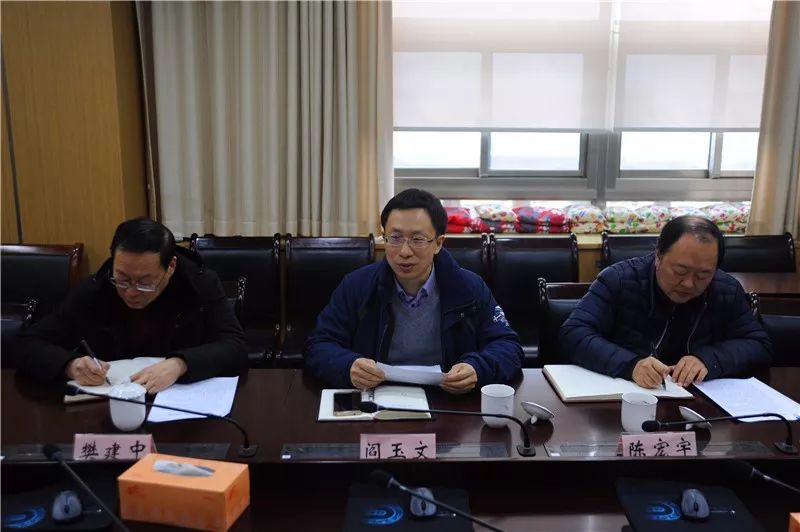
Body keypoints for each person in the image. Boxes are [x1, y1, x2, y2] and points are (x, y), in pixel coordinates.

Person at [305, 188, 523, 393]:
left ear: (438, 243)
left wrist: (477, 368)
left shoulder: (469, 288)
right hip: (377, 397)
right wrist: (347, 365)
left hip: (447, 398)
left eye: (417, 239)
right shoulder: (358, 286)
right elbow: (318, 344)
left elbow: (508, 346)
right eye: (395, 238)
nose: (404, 251)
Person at [15, 218, 247, 393]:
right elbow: (28, 343)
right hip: (110, 404)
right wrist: (70, 365)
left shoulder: (199, 284)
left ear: (171, 267)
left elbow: (235, 346)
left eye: (145, 282)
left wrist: (180, 364)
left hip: (179, 403)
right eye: (123, 278)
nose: (131, 291)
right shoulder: (96, 289)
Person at [560, 216, 771, 389]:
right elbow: (574, 333)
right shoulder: (619, 280)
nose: (688, 284)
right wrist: (631, 365)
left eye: (703, 275)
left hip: (699, 404)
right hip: (629, 399)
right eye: (680, 271)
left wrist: (709, 359)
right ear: (658, 256)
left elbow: (758, 344)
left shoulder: (726, 289)